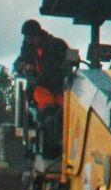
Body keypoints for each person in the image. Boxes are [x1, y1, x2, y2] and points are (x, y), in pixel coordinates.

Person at [13, 19, 72, 159]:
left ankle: (60, 143)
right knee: (48, 111)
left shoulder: (56, 45)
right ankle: (50, 145)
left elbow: (56, 72)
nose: (27, 40)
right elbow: (18, 63)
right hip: (42, 87)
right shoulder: (28, 48)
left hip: (58, 87)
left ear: (36, 35)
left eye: (29, 37)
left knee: (63, 115)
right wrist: (24, 66)